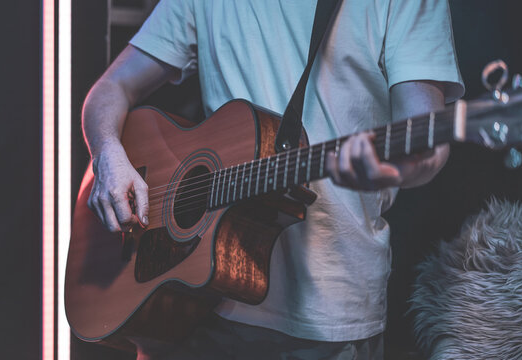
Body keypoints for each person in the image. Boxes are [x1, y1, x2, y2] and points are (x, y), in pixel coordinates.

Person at [82, 0, 464, 358]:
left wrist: (391, 169)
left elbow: (427, 140)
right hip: (195, 306)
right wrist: (107, 153)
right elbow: (110, 88)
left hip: (329, 313)